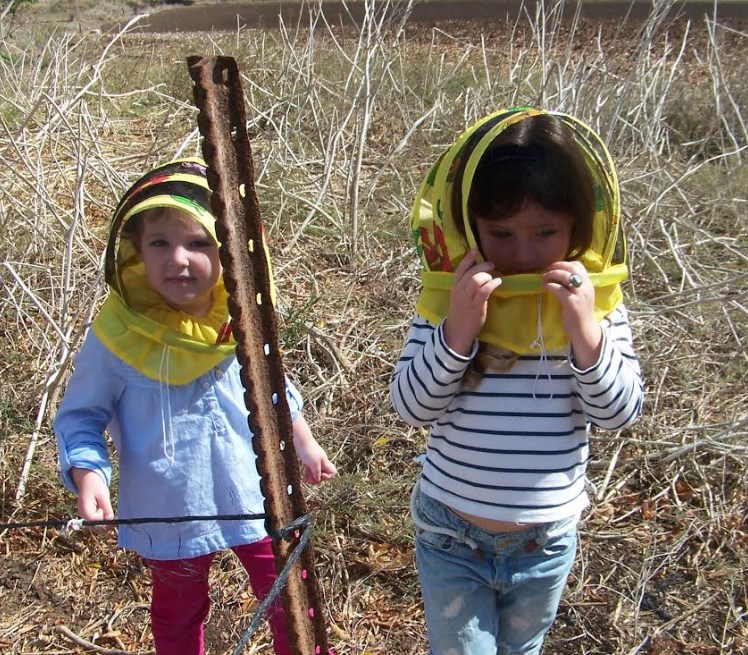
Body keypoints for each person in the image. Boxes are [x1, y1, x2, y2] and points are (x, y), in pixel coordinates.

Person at [54, 158, 337, 655]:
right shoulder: (119, 334)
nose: (178, 260)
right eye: (160, 243)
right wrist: (89, 474)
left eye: (199, 243)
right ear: (137, 250)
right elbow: (81, 417)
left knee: (289, 598)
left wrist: (303, 438)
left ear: (229, 250)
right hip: (171, 506)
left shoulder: (239, 316)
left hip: (255, 490)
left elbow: (272, 383)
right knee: (178, 611)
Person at [390, 107, 643, 655]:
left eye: (544, 233)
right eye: (501, 234)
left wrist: (583, 332)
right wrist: (458, 332)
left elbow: (619, 413)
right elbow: (411, 407)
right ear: (469, 224)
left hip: (545, 542)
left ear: (578, 225)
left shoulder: (593, 301)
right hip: (451, 532)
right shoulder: (451, 295)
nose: (523, 254)